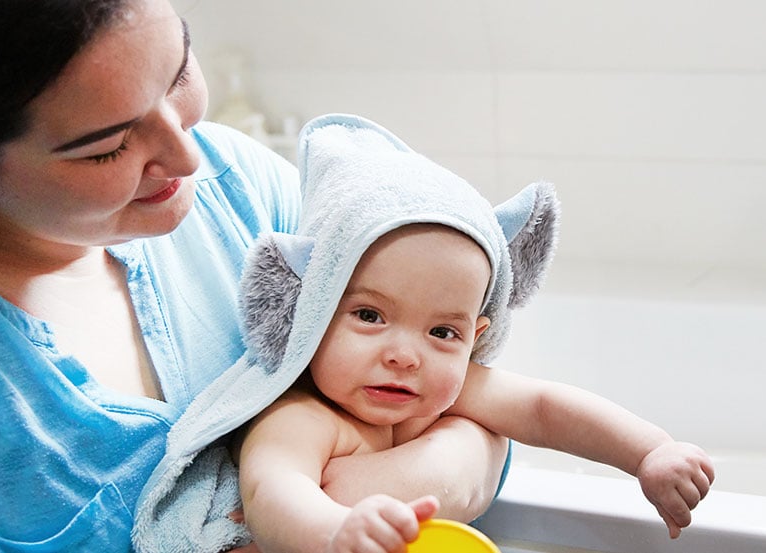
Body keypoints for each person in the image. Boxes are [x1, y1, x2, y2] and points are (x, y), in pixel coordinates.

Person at [0, 2, 508, 551]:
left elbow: (480, 415)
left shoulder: (246, 191)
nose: (186, 155)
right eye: (107, 148)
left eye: (179, 71)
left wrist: (300, 501)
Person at [233, 115, 716, 553]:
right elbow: (271, 490)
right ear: (311, 313)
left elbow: (544, 408)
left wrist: (650, 452)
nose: (405, 356)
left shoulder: (449, 387)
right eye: (370, 316)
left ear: (476, 335)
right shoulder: (303, 416)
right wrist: (335, 531)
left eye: (441, 331)